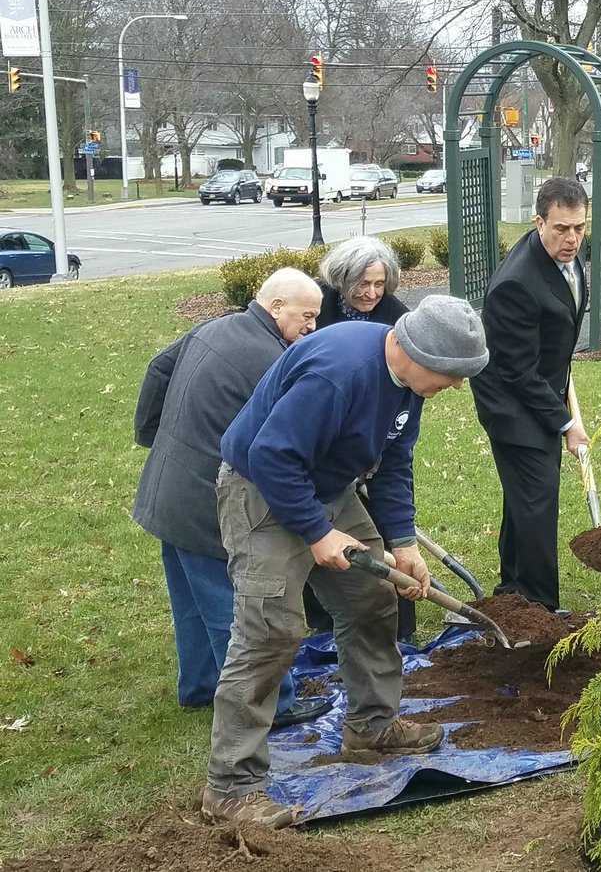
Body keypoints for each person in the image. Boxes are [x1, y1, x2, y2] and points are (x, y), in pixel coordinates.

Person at [201, 295, 489, 828]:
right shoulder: (340, 372)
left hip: (328, 487)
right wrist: (316, 532)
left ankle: (372, 726)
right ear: (416, 352)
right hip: (263, 490)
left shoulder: (408, 383)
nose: (456, 387)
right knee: (271, 632)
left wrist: (402, 542)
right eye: (453, 375)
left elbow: (395, 460)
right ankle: (231, 789)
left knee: (372, 598)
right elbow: (270, 454)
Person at [132, 268, 331, 730]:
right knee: (235, 604)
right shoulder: (269, 359)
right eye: (307, 315)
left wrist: (153, 435)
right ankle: (272, 704)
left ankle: (201, 685)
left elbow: (158, 369)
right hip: (206, 500)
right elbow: (285, 443)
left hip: (168, 489)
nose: (312, 327)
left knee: (190, 594)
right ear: (276, 306)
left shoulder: (215, 326)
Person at [470, 177, 590, 612]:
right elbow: (517, 370)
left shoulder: (566, 259)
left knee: (524, 496)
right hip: (511, 405)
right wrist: (565, 422)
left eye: (579, 227)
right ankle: (540, 606)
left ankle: (514, 589)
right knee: (538, 499)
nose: (572, 238)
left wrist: (561, 383)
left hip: (539, 390)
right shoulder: (516, 284)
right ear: (539, 222)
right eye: (561, 228)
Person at [304, 235, 419, 643]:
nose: (370, 292)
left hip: (377, 434)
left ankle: (398, 631)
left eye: (379, 283)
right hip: (324, 436)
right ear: (340, 280)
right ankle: (324, 625)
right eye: (361, 283)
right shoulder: (319, 307)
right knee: (321, 533)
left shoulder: (398, 318)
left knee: (382, 531)